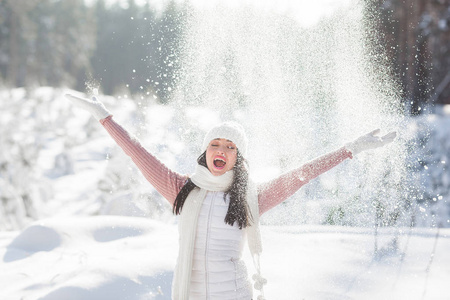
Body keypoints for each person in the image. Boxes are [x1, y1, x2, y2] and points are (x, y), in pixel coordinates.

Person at [65, 93, 396, 300]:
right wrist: (105, 117)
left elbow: (301, 175)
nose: (221, 150)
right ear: (205, 151)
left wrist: (348, 150)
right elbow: (139, 154)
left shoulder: (251, 197)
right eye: (215, 144)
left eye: (230, 146)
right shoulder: (181, 188)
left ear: (239, 157)